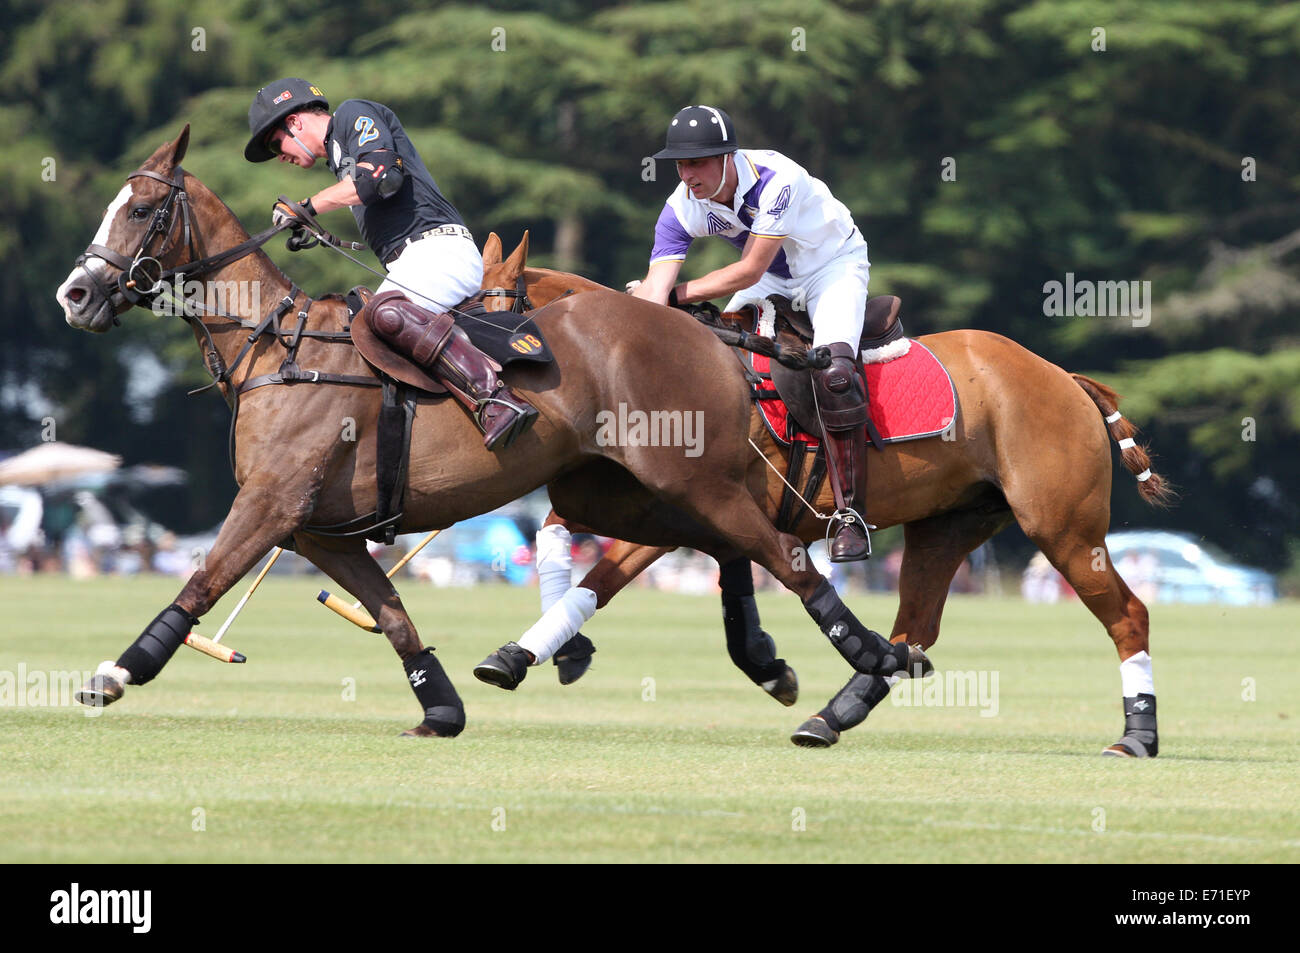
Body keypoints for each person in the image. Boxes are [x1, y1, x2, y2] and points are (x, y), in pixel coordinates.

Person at [631, 105, 874, 561]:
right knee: (720, 358)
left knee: (835, 373)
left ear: (728, 156)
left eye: (697, 162)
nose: (687, 175)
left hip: (832, 268)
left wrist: (678, 295)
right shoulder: (680, 207)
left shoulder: (778, 178)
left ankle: (850, 515)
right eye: (681, 164)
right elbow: (655, 292)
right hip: (773, 281)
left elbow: (747, 269)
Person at [244, 77, 536, 450]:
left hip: (440, 251)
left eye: (275, 142)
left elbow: (381, 177)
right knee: (359, 335)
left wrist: (307, 207)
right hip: (420, 260)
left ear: (296, 122)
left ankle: (497, 398)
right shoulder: (340, 157)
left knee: (380, 317)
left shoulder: (352, 114)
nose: (278, 155)